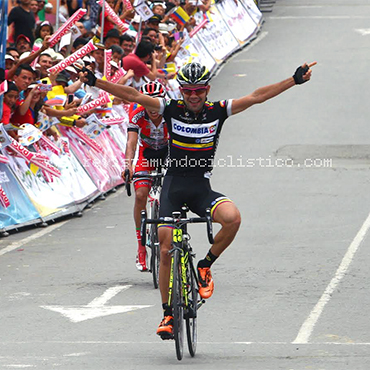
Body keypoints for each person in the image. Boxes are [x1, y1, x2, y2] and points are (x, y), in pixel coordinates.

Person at [80, 60, 316, 339]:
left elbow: (256, 97)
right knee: (166, 245)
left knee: (233, 218)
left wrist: (293, 79)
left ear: (207, 90)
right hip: (173, 186)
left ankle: (204, 265)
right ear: (180, 91)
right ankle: (168, 314)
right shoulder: (169, 108)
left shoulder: (218, 111)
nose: (194, 96)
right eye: (188, 91)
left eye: (199, 91)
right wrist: (95, 82)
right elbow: (132, 96)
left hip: (201, 189)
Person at [124, 81, 168, 271]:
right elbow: (131, 142)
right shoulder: (137, 112)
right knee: (141, 194)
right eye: (147, 102)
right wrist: (128, 166)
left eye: (155, 101)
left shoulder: (171, 111)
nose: (152, 107)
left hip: (168, 153)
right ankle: (141, 246)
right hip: (147, 154)